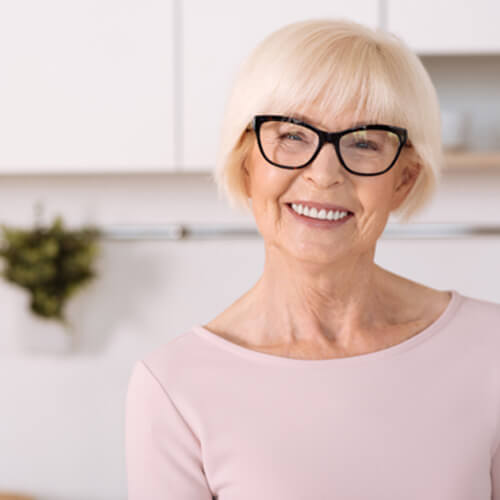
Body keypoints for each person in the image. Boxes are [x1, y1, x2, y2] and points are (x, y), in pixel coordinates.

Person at [125, 18, 500, 499]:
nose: (324, 174)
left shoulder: (490, 348)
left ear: (403, 180)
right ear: (247, 163)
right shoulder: (172, 387)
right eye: (292, 136)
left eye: (364, 143)